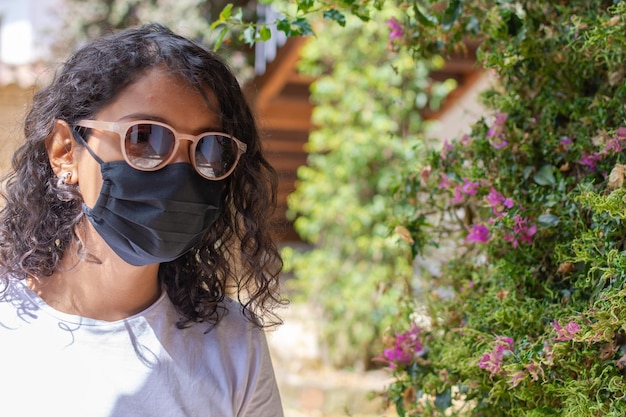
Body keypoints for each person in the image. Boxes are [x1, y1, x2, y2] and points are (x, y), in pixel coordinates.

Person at [0, 23, 285, 416]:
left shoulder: (233, 344)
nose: (179, 173)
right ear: (66, 151)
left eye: (210, 148)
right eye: (145, 137)